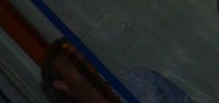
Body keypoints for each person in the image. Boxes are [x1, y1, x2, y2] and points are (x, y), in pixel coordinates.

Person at [42, 39, 195, 103]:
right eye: (72, 59)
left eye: (80, 51)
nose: (82, 58)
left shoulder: (140, 79)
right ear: (60, 84)